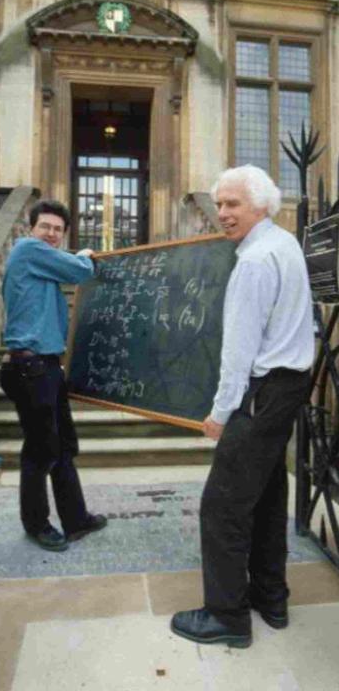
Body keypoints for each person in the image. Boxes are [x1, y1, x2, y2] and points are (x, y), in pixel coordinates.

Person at [171, 165, 314, 648]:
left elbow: (238, 351)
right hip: (290, 385)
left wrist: (220, 413)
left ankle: (227, 615)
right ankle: (271, 598)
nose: (222, 213)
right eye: (220, 204)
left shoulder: (253, 261)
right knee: (269, 495)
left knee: (223, 507)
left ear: (261, 204)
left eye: (233, 204)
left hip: (262, 392)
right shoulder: (286, 243)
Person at [0, 199, 107, 552]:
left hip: (46, 367)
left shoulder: (42, 265)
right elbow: (80, 271)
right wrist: (85, 255)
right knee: (40, 452)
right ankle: (36, 524)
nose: (51, 234)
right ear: (32, 229)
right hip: (30, 370)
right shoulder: (27, 249)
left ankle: (76, 520)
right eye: (45, 226)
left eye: (58, 230)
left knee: (64, 447)